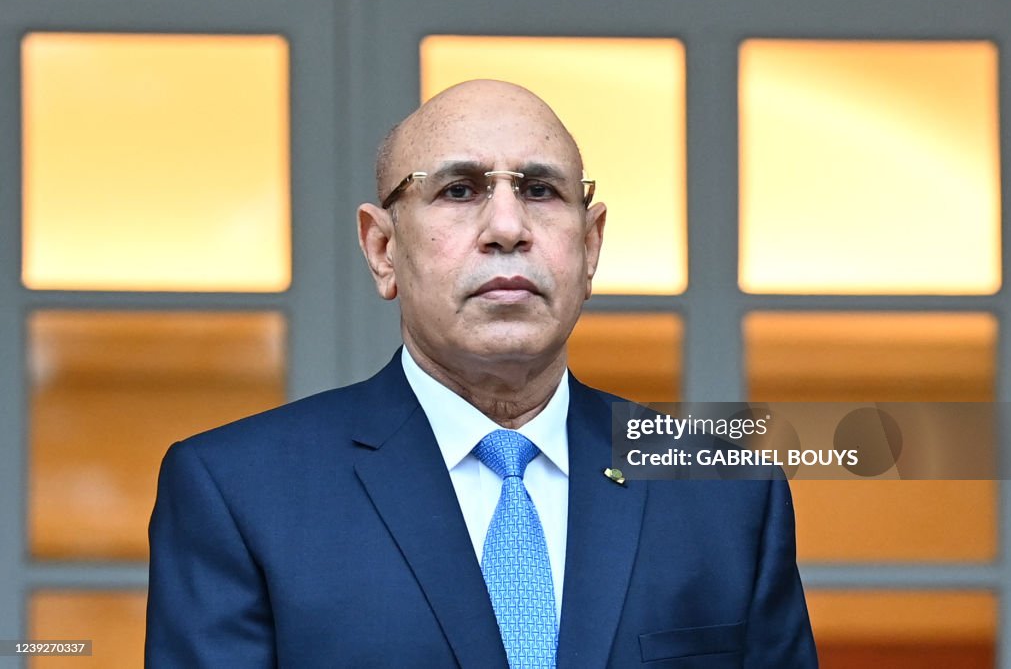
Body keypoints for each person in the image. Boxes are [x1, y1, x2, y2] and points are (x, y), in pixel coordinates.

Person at [146, 79, 817, 668]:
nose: (507, 227)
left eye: (540, 190)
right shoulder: (238, 490)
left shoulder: (724, 491)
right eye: (459, 189)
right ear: (382, 249)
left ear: (590, 246)